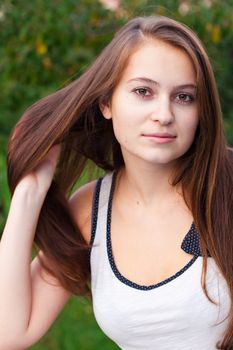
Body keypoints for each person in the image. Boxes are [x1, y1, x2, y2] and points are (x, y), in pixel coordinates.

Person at [0, 15, 233, 350]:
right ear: (107, 102)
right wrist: (28, 194)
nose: (164, 114)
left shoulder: (226, 185)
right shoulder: (90, 211)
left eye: (184, 97)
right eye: (143, 91)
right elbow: (9, 332)